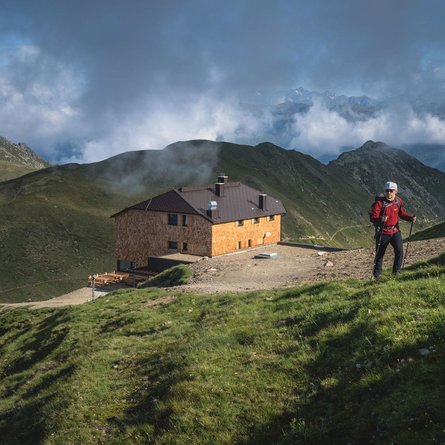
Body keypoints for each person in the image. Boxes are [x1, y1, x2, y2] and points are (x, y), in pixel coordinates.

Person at [369, 181, 416, 278]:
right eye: (387, 190)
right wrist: (381, 218)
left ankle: (396, 273)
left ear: (396, 191)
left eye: (391, 190)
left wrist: (410, 218)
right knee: (379, 254)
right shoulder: (379, 203)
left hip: (395, 231)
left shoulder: (398, 201)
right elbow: (372, 217)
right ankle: (377, 275)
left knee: (399, 251)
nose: (389, 193)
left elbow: (401, 213)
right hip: (383, 232)